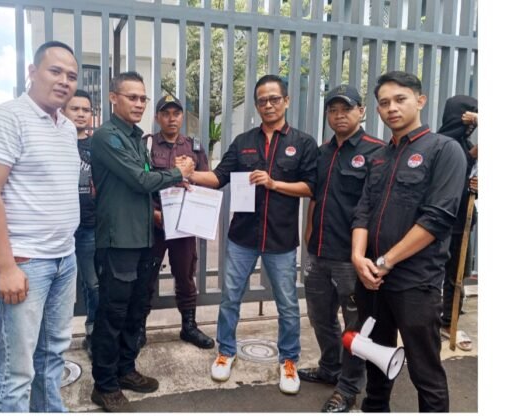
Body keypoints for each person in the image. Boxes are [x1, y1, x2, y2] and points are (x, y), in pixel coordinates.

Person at [189, 74, 318, 395]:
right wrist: (189, 174)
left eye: (274, 99)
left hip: (280, 239)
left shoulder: (303, 143)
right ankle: (226, 351)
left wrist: (274, 184)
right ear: (257, 105)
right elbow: (218, 177)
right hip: (242, 237)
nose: (268, 105)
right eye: (262, 100)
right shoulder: (244, 141)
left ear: (286, 101)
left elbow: (311, 187)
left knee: (287, 304)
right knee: (230, 298)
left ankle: (288, 360)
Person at [350, 71, 466, 412]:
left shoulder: (444, 150)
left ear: (420, 100)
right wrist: (358, 257)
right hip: (372, 281)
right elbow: (363, 210)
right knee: (375, 356)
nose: (392, 108)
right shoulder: (379, 157)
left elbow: (437, 219)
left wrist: (386, 262)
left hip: (415, 283)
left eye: (400, 99)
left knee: (424, 369)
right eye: (384, 102)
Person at [0, 40, 80, 412]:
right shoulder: (8, 118)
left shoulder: (67, 127)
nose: (64, 81)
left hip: (64, 259)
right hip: (24, 263)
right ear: (32, 72)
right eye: (55, 71)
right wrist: (6, 267)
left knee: (52, 355)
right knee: (16, 371)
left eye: (72, 76)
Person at [89, 71, 195, 412]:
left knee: (135, 310)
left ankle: (125, 369)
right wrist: (178, 173)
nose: (138, 104)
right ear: (113, 98)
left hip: (142, 238)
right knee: (113, 313)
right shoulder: (107, 137)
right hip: (118, 240)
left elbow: (148, 178)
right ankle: (104, 385)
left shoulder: (136, 138)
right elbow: (138, 179)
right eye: (131, 97)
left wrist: (173, 181)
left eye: (142, 98)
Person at [298, 84, 384, 412]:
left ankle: (348, 388)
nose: (339, 116)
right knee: (320, 317)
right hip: (319, 252)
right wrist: (309, 233)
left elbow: (377, 207)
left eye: (346, 109)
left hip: (352, 258)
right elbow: (315, 197)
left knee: (355, 325)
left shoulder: (377, 152)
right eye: (332, 110)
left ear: (361, 111)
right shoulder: (322, 153)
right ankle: (330, 367)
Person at [136, 95, 215, 350]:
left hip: (184, 224)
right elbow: (139, 185)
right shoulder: (146, 145)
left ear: (182, 117)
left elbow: (206, 182)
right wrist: (152, 214)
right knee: (146, 275)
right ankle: (138, 328)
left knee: (185, 275)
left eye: (176, 113)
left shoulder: (194, 147)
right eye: (166, 113)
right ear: (157, 117)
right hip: (155, 223)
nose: (171, 118)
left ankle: (188, 326)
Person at [437, 95, 478, 352]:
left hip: (463, 221)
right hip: (441, 223)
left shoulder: (467, 145)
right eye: (469, 118)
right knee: (435, 275)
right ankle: (432, 321)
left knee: (457, 276)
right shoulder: (442, 144)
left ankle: (449, 322)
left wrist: (475, 187)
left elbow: (468, 178)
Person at [63, 89, 99, 358]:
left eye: (85, 110)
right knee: (56, 287)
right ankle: (53, 340)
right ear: (63, 111)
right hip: (59, 227)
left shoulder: (96, 146)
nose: (80, 114)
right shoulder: (55, 142)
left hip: (89, 226)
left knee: (93, 283)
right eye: (74, 109)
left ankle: (93, 333)